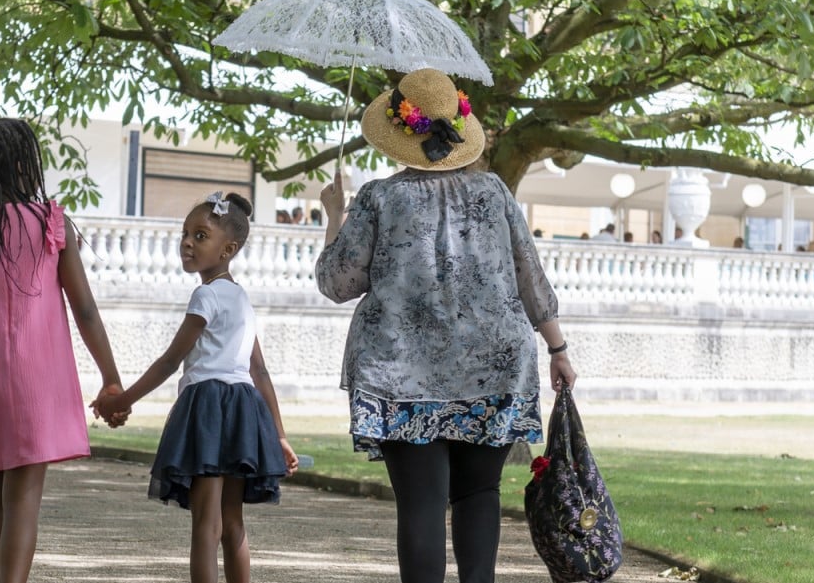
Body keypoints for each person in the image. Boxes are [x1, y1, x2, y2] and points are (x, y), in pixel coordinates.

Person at [315, 68, 577, 583]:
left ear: (397, 134)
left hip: (401, 376)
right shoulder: (495, 192)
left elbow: (337, 283)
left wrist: (333, 216)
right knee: (480, 494)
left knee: (421, 505)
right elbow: (530, 274)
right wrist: (558, 348)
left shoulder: (378, 198)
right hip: (494, 367)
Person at [0, 118, 127, 583]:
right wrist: (110, 377)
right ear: (26, 163)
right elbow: (85, 310)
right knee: (22, 500)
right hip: (40, 380)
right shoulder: (51, 226)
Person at [95, 191, 296, 583]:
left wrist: (121, 400)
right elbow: (260, 372)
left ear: (228, 249)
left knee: (207, 523)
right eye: (186, 233)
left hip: (208, 409)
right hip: (243, 411)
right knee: (232, 522)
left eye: (201, 235)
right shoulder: (241, 298)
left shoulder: (205, 295)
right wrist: (279, 434)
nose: (187, 242)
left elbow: (171, 361)